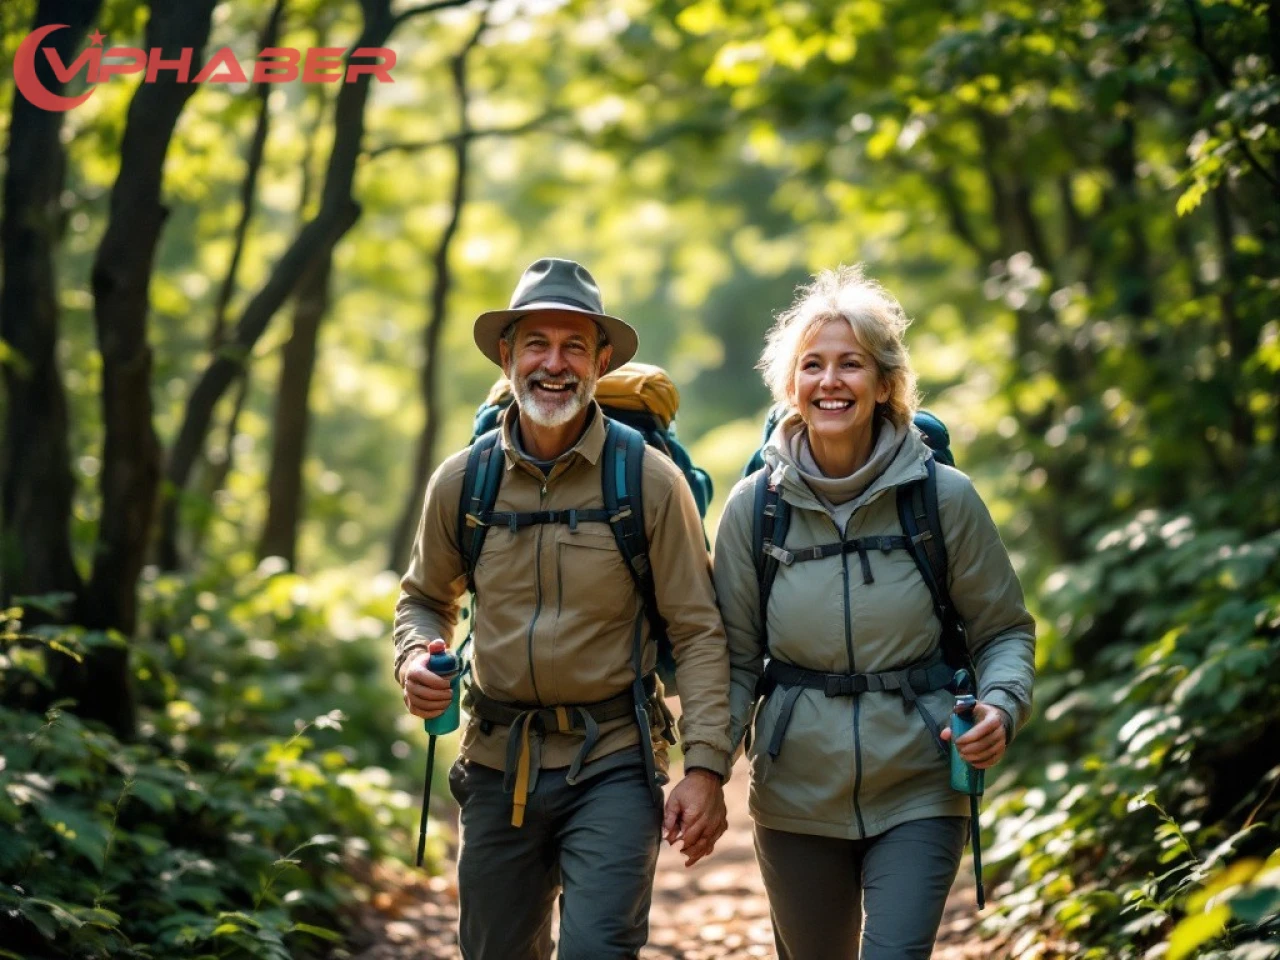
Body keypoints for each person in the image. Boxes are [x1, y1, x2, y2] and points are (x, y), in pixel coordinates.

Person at [393, 257, 732, 960]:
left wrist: (705, 769)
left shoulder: (647, 480)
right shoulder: (464, 482)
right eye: (538, 344)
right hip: (495, 761)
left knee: (600, 948)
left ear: (601, 360)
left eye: (575, 345)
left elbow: (698, 631)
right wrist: (414, 659)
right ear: (507, 355)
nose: (556, 364)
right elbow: (425, 600)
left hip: (612, 759)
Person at [713, 264, 1036, 960]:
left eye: (851, 364)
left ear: (886, 382)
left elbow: (1003, 630)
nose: (831, 381)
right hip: (796, 792)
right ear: (791, 386)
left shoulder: (943, 498)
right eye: (813, 365)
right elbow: (733, 659)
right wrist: (707, 772)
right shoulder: (752, 510)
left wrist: (1001, 706)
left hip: (919, 783)